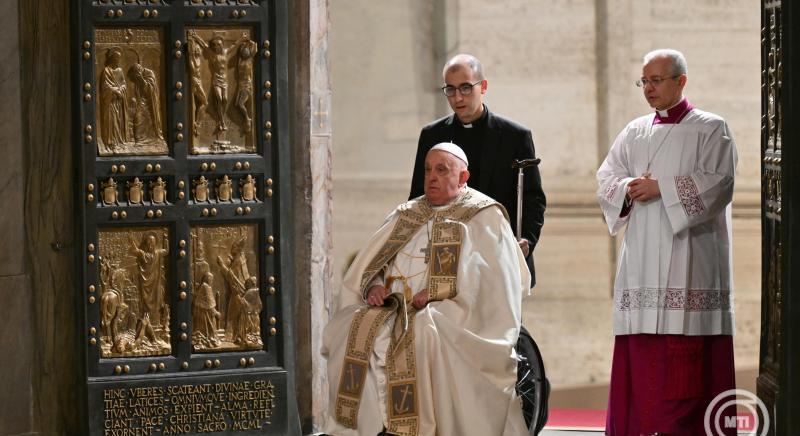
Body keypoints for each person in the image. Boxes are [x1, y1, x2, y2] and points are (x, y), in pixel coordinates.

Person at [322, 143, 530, 436]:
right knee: (350, 328)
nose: (431, 177)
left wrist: (438, 292)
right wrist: (375, 285)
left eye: (442, 170)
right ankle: (360, 429)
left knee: (422, 333)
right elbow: (373, 262)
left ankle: (416, 428)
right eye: (428, 169)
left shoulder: (484, 215)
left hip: (449, 310)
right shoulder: (408, 213)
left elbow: (493, 281)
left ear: (463, 177)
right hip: (392, 308)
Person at [596, 49, 737, 435]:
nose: (649, 88)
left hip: (690, 259)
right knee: (643, 372)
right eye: (644, 81)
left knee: (686, 376)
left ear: (681, 81)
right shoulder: (634, 130)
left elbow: (719, 182)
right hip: (642, 260)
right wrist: (628, 188)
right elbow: (606, 177)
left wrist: (663, 189)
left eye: (657, 80)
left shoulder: (711, 128)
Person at [409, 54, 546, 286]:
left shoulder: (515, 136)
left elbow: (533, 199)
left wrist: (527, 242)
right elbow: (418, 196)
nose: (458, 97)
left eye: (465, 87)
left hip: (500, 257)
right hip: (446, 257)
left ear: (483, 86)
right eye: (450, 90)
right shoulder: (432, 135)